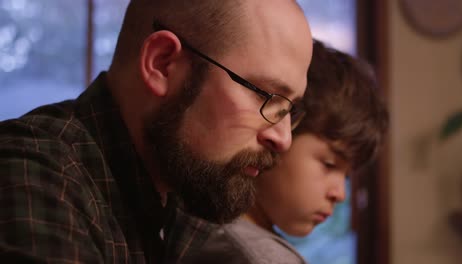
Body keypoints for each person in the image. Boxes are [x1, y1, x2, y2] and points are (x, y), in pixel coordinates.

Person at [0, 0, 313, 263]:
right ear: (162, 63)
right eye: (265, 95)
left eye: (290, 109)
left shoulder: (182, 194)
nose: (283, 138)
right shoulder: (31, 173)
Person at [185, 39, 389, 263]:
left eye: (347, 176)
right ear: (278, 134)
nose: (340, 194)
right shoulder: (258, 256)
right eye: (329, 164)